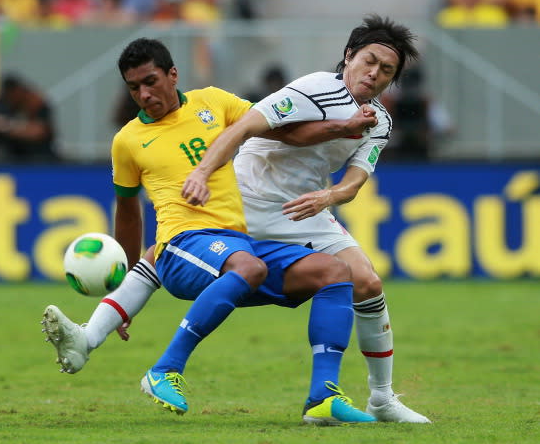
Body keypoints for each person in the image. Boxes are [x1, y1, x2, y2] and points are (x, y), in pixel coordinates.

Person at [42, 37, 380, 425]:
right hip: (182, 243)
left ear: (173, 74)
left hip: (237, 243)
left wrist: (343, 126)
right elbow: (128, 211)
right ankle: (165, 370)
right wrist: (123, 281)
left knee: (336, 273)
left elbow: (283, 131)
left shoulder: (214, 102)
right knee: (247, 267)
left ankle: (322, 398)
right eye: (134, 87)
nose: (144, 94)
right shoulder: (128, 141)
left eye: (151, 81)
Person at [181, 14, 431, 424]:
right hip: (248, 200)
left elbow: (351, 185)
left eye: (387, 70)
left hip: (304, 208)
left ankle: (382, 399)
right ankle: (101, 327)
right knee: (166, 256)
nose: (375, 74)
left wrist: (328, 196)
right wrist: (203, 173)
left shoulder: (379, 122)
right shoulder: (313, 89)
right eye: (369, 61)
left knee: (367, 282)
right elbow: (243, 127)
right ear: (349, 56)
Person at [0, 73, 59, 163]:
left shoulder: (36, 103)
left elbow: (38, 132)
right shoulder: (5, 102)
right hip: (8, 158)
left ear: (19, 91)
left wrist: (4, 125)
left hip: (38, 158)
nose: (11, 97)